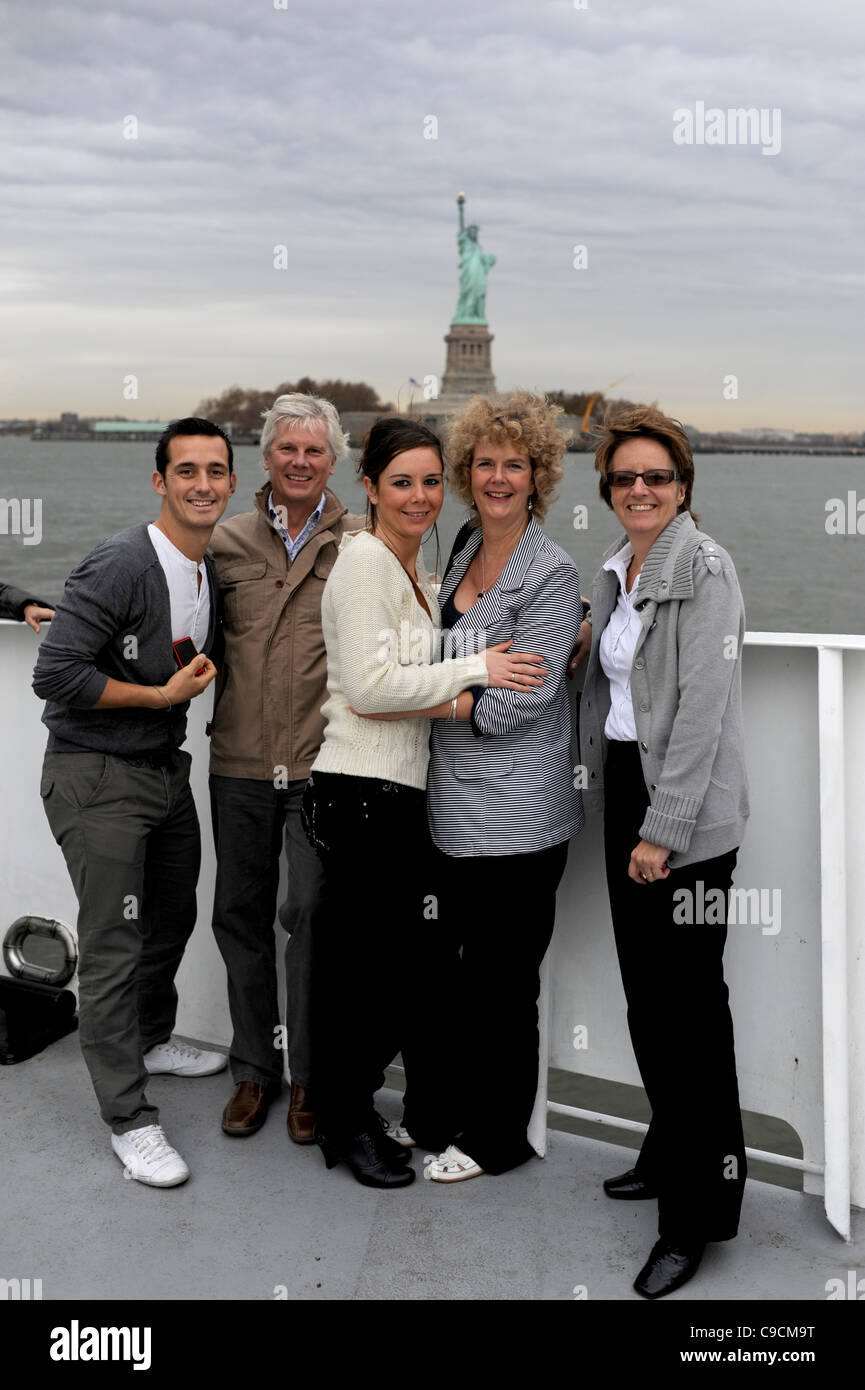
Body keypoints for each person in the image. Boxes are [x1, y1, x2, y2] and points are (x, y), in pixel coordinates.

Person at [302, 415, 544, 1188]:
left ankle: (355, 1110)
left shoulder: (413, 572)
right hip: (360, 793)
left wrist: (559, 628)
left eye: (432, 481)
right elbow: (371, 690)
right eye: (400, 482)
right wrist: (472, 684)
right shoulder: (367, 562)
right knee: (361, 977)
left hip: (398, 797)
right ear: (367, 489)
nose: (419, 496)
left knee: (393, 971)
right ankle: (343, 1123)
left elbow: (409, 657)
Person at [357, 392, 585, 1183]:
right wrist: (459, 680)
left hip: (519, 818)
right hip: (448, 806)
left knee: (500, 982)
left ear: (537, 477)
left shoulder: (552, 572)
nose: (496, 478)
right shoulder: (457, 548)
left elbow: (523, 699)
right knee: (447, 975)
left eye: (512, 465)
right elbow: (454, 662)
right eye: (483, 463)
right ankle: (438, 1111)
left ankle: (498, 1138)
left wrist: (411, 692)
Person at [32, 418, 235, 1187]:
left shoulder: (204, 567)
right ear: (160, 482)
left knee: (172, 916)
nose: (202, 484)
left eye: (215, 470)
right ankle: (130, 1120)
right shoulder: (122, 561)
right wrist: (157, 695)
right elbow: (53, 675)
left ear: (231, 482)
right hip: (97, 776)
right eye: (186, 471)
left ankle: (151, 1037)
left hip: (161, 773)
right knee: (113, 951)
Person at [576, 404, 749, 1299]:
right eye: (624, 478)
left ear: (682, 486)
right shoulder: (618, 570)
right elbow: (620, 684)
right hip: (626, 797)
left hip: (683, 820)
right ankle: (664, 1149)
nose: (639, 489)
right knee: (650, 1001)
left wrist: (662, 832)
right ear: (607, 490)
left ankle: (695, 1214)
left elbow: (701, 713)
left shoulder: (703, 569)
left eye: (657, 477)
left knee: (689, 1015)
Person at [207, 393, 363, 1142]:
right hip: (237, 761)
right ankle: (251, 1072)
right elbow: (156, 602)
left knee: (308, 918)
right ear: (264, 458)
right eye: (286, 449)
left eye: (315, 451)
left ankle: (308, 1079)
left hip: (318, 767)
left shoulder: (362, 544)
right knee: (238, 916)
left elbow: (424, 618)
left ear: (335, 462)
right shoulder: (224, 541)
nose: (300, 462)